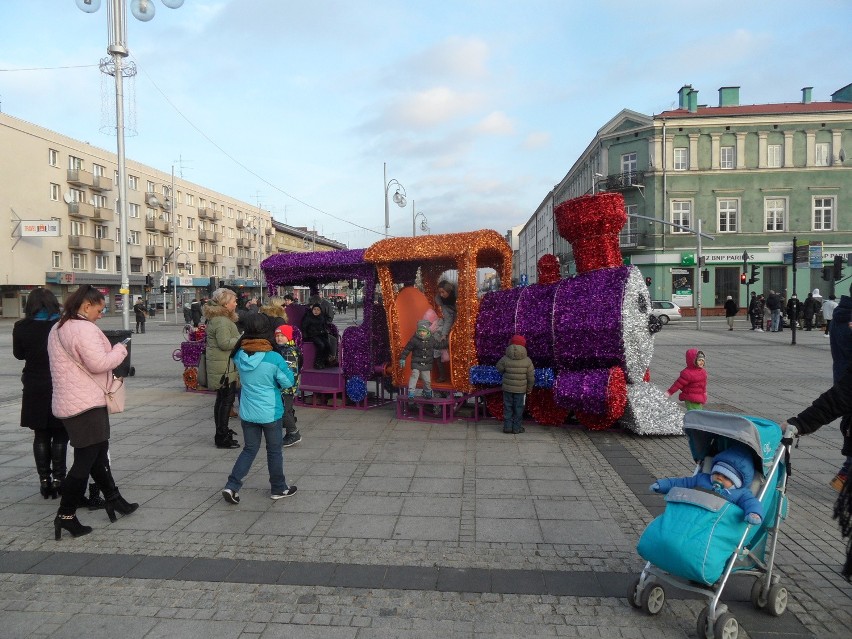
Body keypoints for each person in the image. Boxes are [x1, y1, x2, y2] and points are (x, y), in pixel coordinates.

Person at [47, 285, 137, 539]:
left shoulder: (58, 327)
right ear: (86, 306)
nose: (101, 314)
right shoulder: (82, 328)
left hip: (72, 402)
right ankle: (66, 515)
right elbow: (98, 364)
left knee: (97, 453)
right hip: (85, 404)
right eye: (100, 309)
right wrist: (120, 349)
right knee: (85, 460)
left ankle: (114, 499)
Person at [221, 313, 296, 503]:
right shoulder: (274, 357)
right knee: (274, 450)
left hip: (248, 411)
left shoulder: (239, 354)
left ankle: (232, 486)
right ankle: (278, 488)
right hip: (270, 412)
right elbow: (288, 381)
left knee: (249, 449)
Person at [13, 289, 69, 499]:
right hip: (58, 382)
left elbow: (19, 355)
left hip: (34, 384)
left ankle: (44, 482)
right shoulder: (61, 326)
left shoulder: (21, 327)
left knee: (40, 434)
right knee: (61, 433)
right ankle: (59, 480)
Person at [650, 444, 764, 525]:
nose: (719, 477)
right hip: (690, 514)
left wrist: (754, 513)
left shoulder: (741, 494)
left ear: (736, 483)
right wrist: (662, 485)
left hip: (715, 522)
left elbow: (751, 502)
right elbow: (681, 483)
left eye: (726, 477)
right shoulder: (702, 479)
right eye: (717, 473)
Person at [204, 288, 241, 449]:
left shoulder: (219, 318)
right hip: (224, 368)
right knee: (226, 400)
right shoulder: (221, 321)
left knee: (222, 400)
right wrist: (241, 338)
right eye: (234, 300)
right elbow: (225, 343)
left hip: (222, 365)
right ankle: (222, 435)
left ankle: (222, 432)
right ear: (226, 304)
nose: (236, 303)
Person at [495, 334, 535, 434]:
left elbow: (498, 368)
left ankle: (507, 427)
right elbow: (531, 377)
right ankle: (517, 428)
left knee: (508, 407)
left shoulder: (505, 358)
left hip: (507, 389)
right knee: (519, 408)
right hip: (521, 391)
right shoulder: (527, 361)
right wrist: (529, 389)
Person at [399, 320, 444, 401]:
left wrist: (448, 343)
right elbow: (407, 349)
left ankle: (428, 392)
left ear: (427, 331)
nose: (422, 333)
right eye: (420, 331)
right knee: (414, 375)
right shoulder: (414, 339)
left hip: (427, 363)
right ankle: (411, 392)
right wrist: (403, 358)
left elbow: (438, 345)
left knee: (427, 380)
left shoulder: (431, 339)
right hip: (416, 362)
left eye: (424, 331)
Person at [274, 324, 303, 448]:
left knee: (284, 411)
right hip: (286, 387)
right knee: (287, 410)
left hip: (286, 388)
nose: (279, 338)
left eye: (282, 336)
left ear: (289, 337)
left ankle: (293, 433)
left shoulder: (288, 352)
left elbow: (289, 373)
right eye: (277, 336)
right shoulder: (284, 349)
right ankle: (289, 432)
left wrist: (284, 386)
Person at [435, 279, 457, 382]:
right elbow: (448, 319)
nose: (441, 294)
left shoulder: (457, 299)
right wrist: (444, 334)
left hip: (457, 329)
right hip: (450, 328)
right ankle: (443, 375)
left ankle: (448, 375)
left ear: (448, 291)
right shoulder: (443, 303)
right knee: (437, 349)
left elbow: (451, 319)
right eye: (440, 292)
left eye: (443, 292)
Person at [301, 303, 334, 369]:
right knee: (321, 345)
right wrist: (305, 336)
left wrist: (325, 331)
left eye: (318, 310)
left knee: (328, 345)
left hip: (320, 335)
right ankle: (317, 362)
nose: (316, 311)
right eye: (314, 309)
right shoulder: (308, 317)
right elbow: (304, 327)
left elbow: (324, 326)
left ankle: (324, 361)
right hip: (311, 335)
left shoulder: (321, 317)